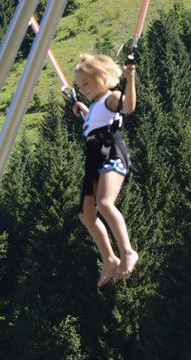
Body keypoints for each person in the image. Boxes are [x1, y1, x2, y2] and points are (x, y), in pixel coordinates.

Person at [72, 53, 138, 287]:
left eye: (86, 84)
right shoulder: (95, 105)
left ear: (101, 77)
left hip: (110, 151)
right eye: (81, 86)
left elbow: (127, 108)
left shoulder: (112, 97)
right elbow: (96, 119)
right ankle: (109, 259)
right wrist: (83, 110)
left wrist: (130, 80)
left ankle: (127, 251)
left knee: (105, 203)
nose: (84, 89)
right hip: (94, 158)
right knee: (86, 214)